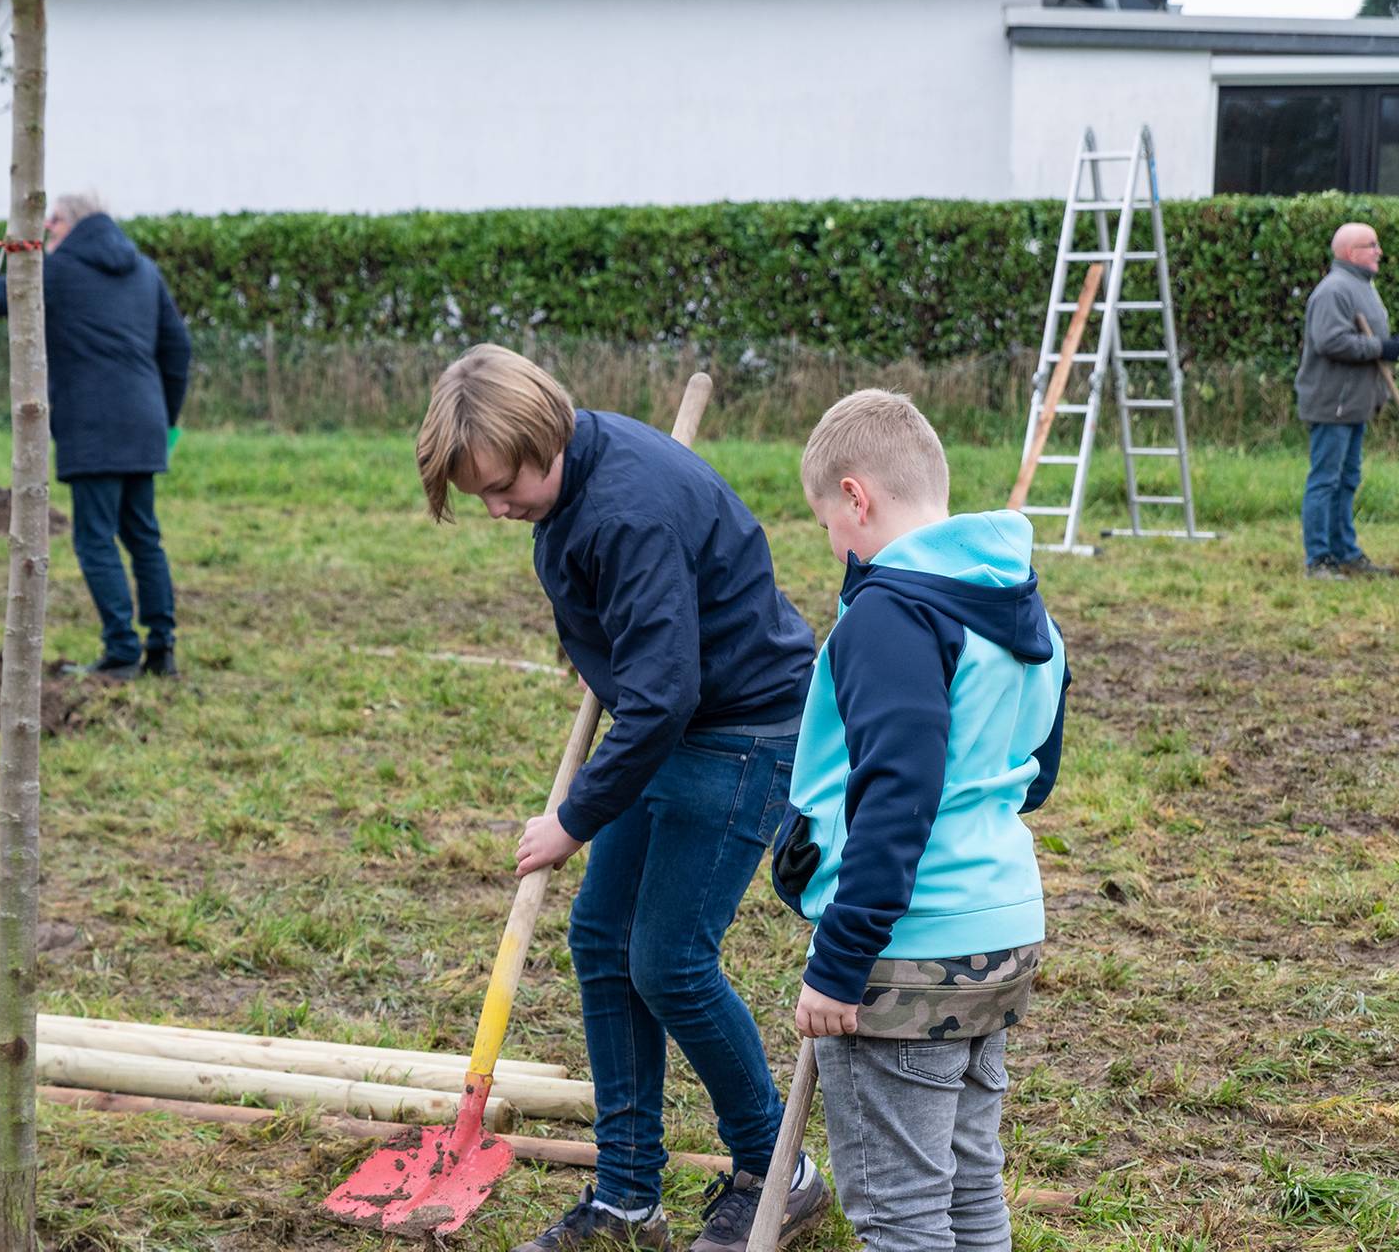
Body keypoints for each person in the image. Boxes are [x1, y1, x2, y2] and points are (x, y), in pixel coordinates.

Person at [414, 344, 831, 1252]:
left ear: (543, 438)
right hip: (673, 714)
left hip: (746, 725)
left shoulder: (629, 510)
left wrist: (572, 819)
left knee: (669, 959)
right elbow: (645, 669)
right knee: (601, 940)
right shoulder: (572, 484)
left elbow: (661, 694)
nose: (495, 508)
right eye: (477, 494)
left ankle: (776, 1168)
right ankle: (627, 1194)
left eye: (501, 487)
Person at [784, 390, 1066, 1252]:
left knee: (901, 1212)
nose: (834, 547)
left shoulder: (891, 617)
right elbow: (1038, 771)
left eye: (828, 521)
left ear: (857, 496)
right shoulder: (1020, 607)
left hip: (907, 952)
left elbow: (896, 803)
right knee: (970, 1179)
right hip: (1004, 927)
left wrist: (838, 967)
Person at [24, 191, 192, 680]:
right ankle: (162, 648)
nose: (47, 230)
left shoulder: (55, 273)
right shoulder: (144, 270)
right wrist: (164, 416)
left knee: (95, 537)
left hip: (91, 424)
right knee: (143, 536)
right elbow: (178, 349)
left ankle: (120, 649)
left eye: (51, 221)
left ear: (68, 223)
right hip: (144, 420)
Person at [1295, 222, 1399, 580]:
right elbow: (1330, 341)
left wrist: (1391, 348)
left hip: (1355, 404)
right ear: (1349, 253)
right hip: (1333, 404)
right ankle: (1319, 559)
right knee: (1326, 480)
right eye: (1371, 245)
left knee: (1347, 480)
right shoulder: (1334, 290)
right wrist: (1379, 347)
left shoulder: (1362, 287)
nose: (1379, 251)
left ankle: (1346, 552)